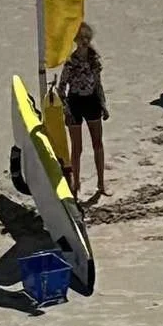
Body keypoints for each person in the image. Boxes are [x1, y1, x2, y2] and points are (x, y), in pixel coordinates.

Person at [58, 21, 107, 198]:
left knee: (97, 144)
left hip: (92, 101)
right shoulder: (70, 63)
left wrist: (103, 104)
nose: (84, 41)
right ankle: (75, 184)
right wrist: (66, 109)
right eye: (81, 38)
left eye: (87, 38)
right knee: (76, 148)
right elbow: (61, 88)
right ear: (76, 40)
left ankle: (101, 183)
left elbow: (98, 85)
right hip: (75, 103)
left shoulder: (94, 61)